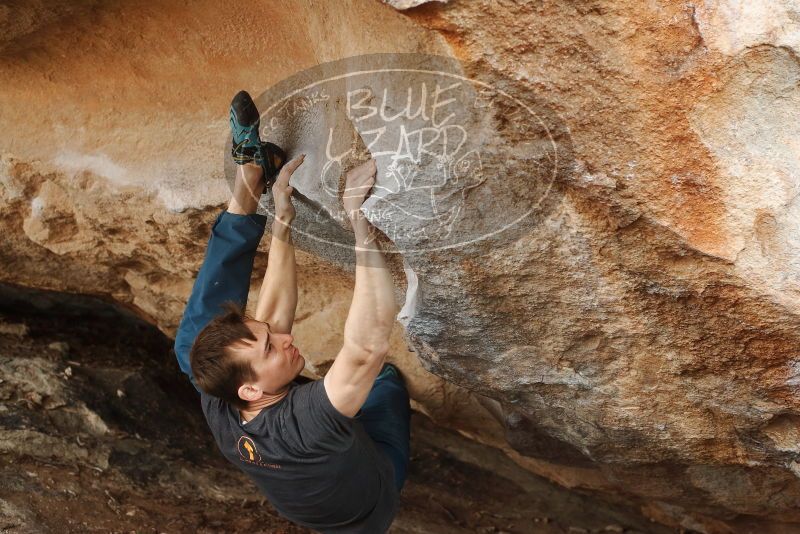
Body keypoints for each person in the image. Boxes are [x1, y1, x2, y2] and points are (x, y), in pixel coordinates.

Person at [173, 90, 411, 533]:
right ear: (250, 392)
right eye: (270, 347)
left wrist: (283, 218)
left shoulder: (221, 399)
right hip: (369, 504)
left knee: (192, 349)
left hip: (308, 487)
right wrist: (360, 224)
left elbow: (273, 315)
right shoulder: (305, 425)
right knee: (382, 382)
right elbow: (366, 346)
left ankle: (251, 177)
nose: (286, 337)